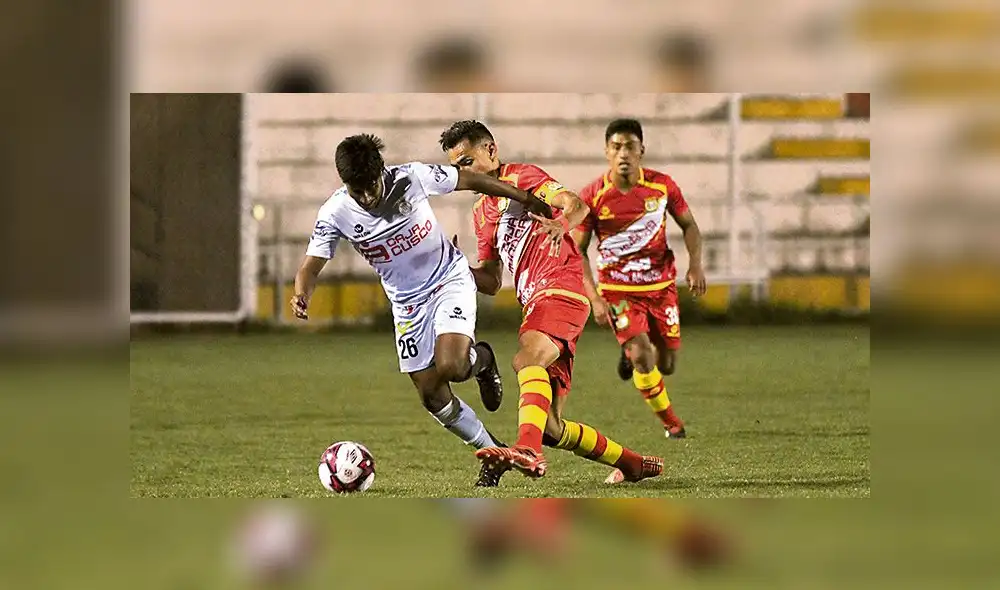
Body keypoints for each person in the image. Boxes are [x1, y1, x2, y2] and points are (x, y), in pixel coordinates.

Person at [292, 133, 552, 487]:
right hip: (406, 304)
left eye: (371, 187)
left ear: (382, 171)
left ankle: (483, 361)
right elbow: (310, 267)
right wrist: (302, 294)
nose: (366, 198)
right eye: (357, 191)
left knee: (452, 366)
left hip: (448, 279)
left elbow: (470, 180)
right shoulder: (335, 212)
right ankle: (495, 454)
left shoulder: (411, 177)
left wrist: (525, 197)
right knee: (431, 393)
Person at [439, 120, 664, 484]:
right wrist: (455, 268)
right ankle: (631, 464)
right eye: (456, 166)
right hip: (538, 301)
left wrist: (562, 223)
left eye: (467, 161)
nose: (462, 172)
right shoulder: (481, 213)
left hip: (560, 285)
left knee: (526, 359)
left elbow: (576, 205)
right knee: (550, 427)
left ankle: (527, 452)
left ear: (491, 150)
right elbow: (492, 281)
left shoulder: (521, 177)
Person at [572, 119, 706, 455]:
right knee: (644, 356)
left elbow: (689, 225)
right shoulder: (592, 196)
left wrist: (696, 264)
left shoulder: (662, 186)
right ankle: (673, 424)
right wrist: (595, 298)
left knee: (667, 364)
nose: (623, 153)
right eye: (616, 147)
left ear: (641, 150)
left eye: (630, 146)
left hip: (661, 288)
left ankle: (630, 351)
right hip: (618, 291)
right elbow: (578, 251)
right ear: (606, 152)